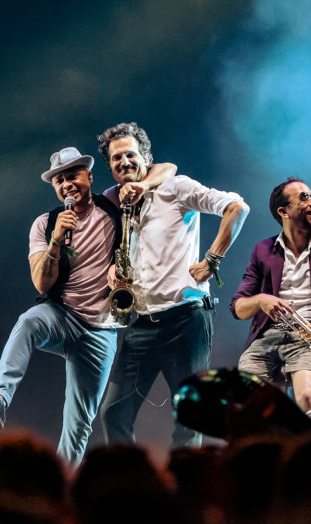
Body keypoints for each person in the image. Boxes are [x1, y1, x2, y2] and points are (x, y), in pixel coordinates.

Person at [0, 146, 175, 467]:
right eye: (59, 181)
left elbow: (167, 168)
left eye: (73, 176)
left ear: (89, 177)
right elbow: (41, 283)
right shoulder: (46, 223)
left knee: (80, 421)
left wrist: (139, 186)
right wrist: (57, 239)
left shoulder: (112, 203)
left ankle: (61, 483)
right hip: (61, 316)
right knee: (28, 321)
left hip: (101, 330)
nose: (67, 184)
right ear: (55, 188)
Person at [96, 122, 250, 448]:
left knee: (189, 416)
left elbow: (237, 207)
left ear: (145, 157)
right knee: (113, 413)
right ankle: (132, 487)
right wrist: (115, 272)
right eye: (116, 158)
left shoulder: (174, 187)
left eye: (130, 155)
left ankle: (186, 491)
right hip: (140, 324)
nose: (123, 162)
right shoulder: (119, 205)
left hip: (185, 320)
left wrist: (212, 260)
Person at [230, 177, 311, 431]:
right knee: (247, 401)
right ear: (283, 211)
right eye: (304, 198)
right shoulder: (263, 250)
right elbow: (238, 307)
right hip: (266, 338)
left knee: (308, 396)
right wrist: (262, 300)